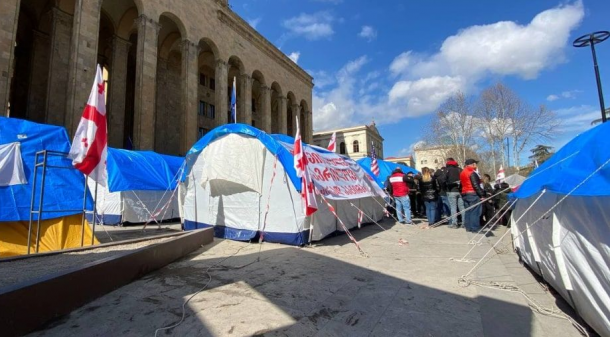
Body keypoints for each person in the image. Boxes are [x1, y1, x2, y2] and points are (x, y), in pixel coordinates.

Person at [460, 159, 486, 232]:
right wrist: (482, 195)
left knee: (468, 211)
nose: (476, 165)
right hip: (472, 193)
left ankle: (468, 227)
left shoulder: (462, 172)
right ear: (472, 164)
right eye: (475, 164)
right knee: (475, 211)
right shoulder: (472, 172)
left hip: (465, 193)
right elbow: (475, 185)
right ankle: (474, 228)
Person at [445, 158, 464, 228]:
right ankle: (464, 223)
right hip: (460, 190)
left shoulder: (448, 170)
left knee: (453, 208)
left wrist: (446, 185)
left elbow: (444, 179)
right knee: (462, 207)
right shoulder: (460, 169)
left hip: (451, 190)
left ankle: (454, 223)